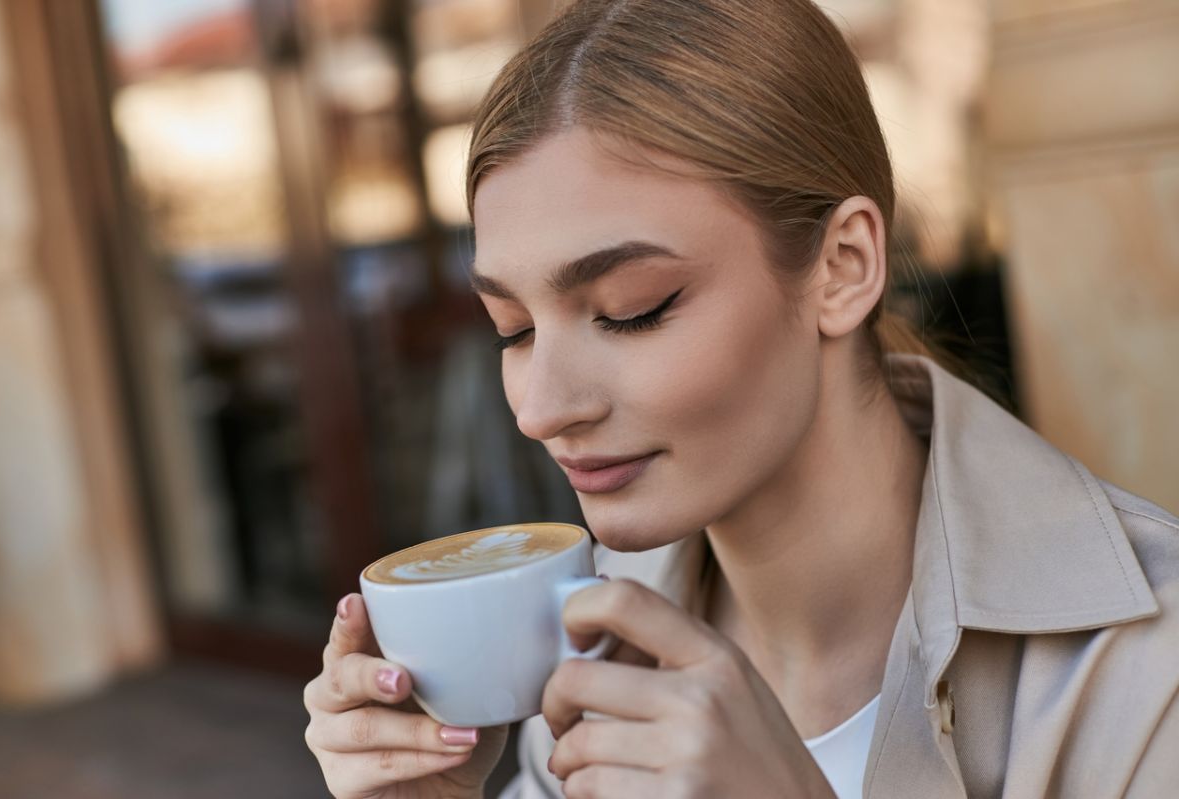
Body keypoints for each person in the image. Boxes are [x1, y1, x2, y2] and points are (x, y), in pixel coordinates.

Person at [301, 0, 1179, 796]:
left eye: (632, 310)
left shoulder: (1147, 671)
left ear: (843, 266)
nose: (541, 410)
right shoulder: (593, 640)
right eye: (514, 329)